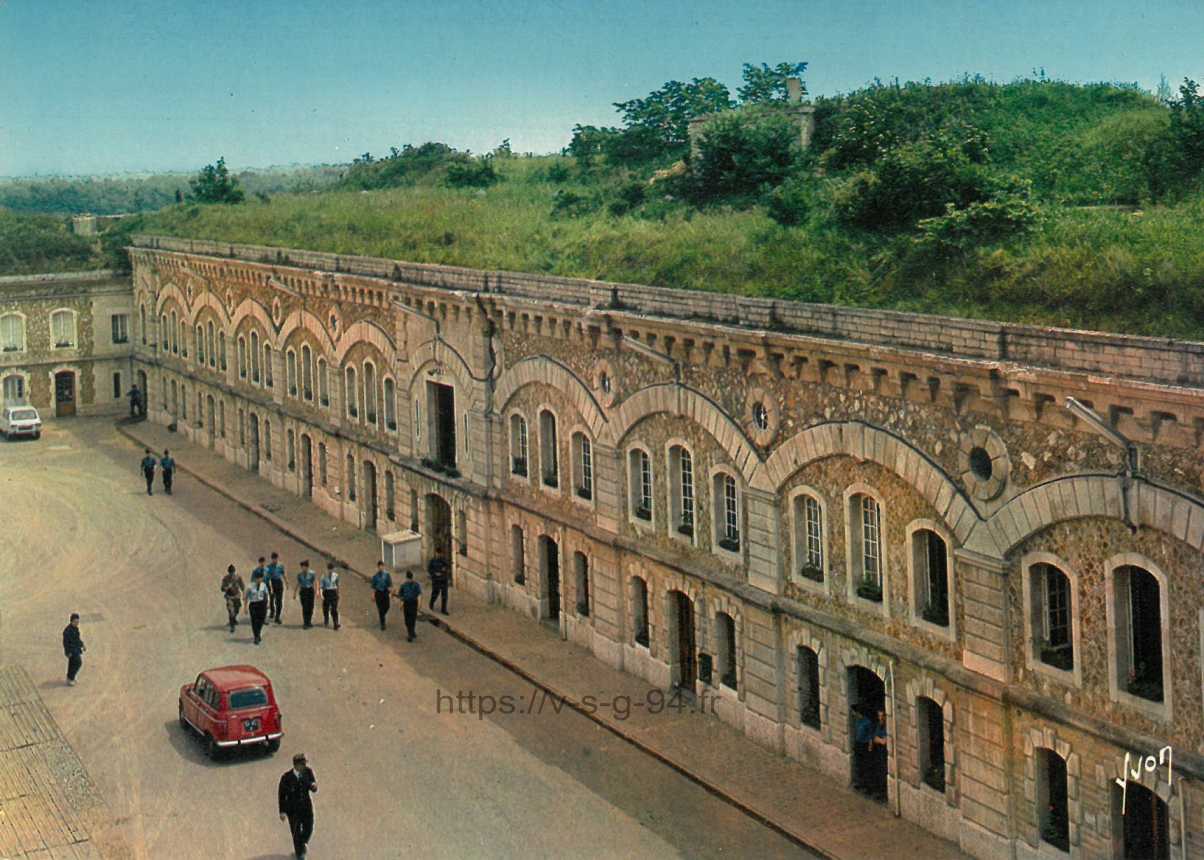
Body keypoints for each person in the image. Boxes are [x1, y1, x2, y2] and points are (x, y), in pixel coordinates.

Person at [278, 752, 318, 859]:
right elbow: (281, 795)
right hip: (293, 810)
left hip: (306, 807)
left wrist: (313, 786)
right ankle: (299, 854)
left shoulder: (308, 772)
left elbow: (313, 786)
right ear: (296, 765)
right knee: (296, 833)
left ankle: (303, 843)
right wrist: (282, 811)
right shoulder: (286, 777)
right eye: (303, 764)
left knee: (309, 828)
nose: (305, 766)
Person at [245, 570, 270, 645]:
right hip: (253, 604)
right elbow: (246, 597)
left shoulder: (264, 585)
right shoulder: (250, 586)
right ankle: (256, 636)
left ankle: (258, 633)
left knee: (261, 620)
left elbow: (267, 594)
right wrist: (245, 607)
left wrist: (268, 603)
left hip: (262, 604)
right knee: (254, 621)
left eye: (260, 578)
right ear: (255, 578)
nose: (259, 579)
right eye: (257, 578)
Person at [220, 565, 245, 634]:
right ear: (228, 572)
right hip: (229, 597)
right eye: (230, 572)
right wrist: (227, 587)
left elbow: (242, 586)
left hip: (237, 596)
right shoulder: (225, 579)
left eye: (233, 572)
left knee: (237, 608)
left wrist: (244, 593)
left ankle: (234, 619)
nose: (232, 574)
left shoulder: (238, 577)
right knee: (231, 611)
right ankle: (232, 626)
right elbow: (222, 588)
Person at [398, 571, 422, 642]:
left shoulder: (416, 585)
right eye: (408, 579)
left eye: (410, 579)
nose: (409, 580)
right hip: (406, 604)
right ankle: (411, 632)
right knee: (407, 620)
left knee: (412, 619)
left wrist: (419, 604)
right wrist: (401, 604)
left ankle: (410, 634)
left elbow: (419, 594)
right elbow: (401, 595)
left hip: (414, 604)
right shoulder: (403, 585)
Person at [62, 613, 85, 686]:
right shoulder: (67, 631)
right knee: (78, 663)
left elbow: (77, 639)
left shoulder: (75, 629)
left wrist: (82, 645)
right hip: (72, 650)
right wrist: (67, 652)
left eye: (78, 622)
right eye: (75, 622)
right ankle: (71, 678)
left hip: (76, 649)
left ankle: (70, 678)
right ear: (71, 621)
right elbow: (65, 643)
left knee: (72, 664)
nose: (77, 623)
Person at [370, 561, 393, 631]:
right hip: (378, 593)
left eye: (382, 566)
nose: (381, 568)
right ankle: (383, 624)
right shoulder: (375, 576)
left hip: (385, 592)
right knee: (380, 608)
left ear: (383, 566)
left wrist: (391, 592)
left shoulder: (387, 575)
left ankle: (382, 615)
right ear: (378, 567)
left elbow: (389, 584)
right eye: (379, 567)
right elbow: (373, 586)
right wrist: (373, 595)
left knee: (387, 606)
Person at [295, 560, 316, 629]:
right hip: (303, 591)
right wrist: (295, 593)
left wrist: (315, 591)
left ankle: (309, 622)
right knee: (305, 607)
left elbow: (313, 581)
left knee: (311, 607)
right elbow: (298, 583)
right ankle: (305, 622)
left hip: (310, 590)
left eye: (304, 567)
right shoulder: (299, 575)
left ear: (307, 567)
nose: (303, 568)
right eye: (302, 567)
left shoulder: (312, 573)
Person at [427, 551, 450, 616]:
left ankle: (443, 610)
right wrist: (434, 573)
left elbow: (448, 567)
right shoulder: (432, 561)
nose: (438, 555)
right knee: (435, 594)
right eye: (437, 553)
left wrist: (445, 569)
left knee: (444, 596)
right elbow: (429, 569)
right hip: (436, 580)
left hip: (443, 580)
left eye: (439, 553)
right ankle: (431, 603)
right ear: (435, 553)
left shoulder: (444, 560)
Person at [320, 561, 341, 630]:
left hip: (333, 592)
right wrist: (321, 595)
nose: (330, 570)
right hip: (326, 592)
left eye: (332, 569)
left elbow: (337, 585)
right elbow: (321, 586)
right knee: (326, 608)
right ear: (327, 569)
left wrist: (338, 593)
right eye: (329, 569)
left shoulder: (336, 575)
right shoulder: (323, 576)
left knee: (334, 608)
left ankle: (336, 623)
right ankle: (326, 618)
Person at [267, 552, 286, 624]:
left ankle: (277, 617)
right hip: (272, 583)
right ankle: (272, 611)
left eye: (276, 558)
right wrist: (270, 586)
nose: (275, 560)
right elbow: (267, 577)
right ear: (271, 559)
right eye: (273, 559)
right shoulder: (269, 567)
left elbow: (283, 574)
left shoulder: (280, 566)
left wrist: (286, 582)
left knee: (279, 601)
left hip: (279, 583)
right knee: (272, 599)